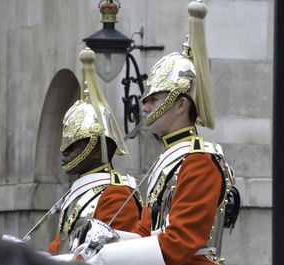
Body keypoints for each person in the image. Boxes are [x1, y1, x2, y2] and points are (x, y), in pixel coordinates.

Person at [83, 1, 239, 264]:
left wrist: (108, 257)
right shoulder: (170, 158)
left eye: (154, 99)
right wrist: (100, 243)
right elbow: (146, 233)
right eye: (145, 99)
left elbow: (180, 242)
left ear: (180, 104)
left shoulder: (199, 160)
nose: (144, 106)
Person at [47, 48, 144, 255]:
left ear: (96, 151)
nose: (64, 153)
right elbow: (59, 249)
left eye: (73, 146)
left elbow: (108, 255)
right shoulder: (77, 192)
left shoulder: (115, 192)